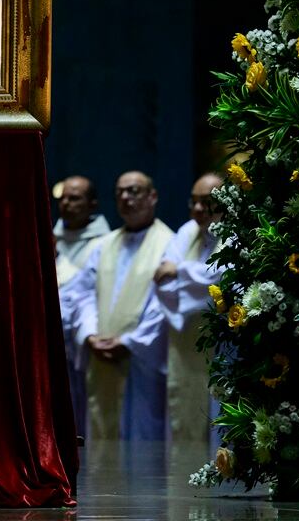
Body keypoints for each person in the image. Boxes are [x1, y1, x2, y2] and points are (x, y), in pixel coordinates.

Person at [68, 171, 173, 440]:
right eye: (120, 193)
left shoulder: (170, 245)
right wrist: (89, 335)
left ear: (153, 196)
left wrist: (130, 342)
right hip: (101, 357)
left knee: (143, 443)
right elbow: (83, 295)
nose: (126, 198)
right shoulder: (102, 245)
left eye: (134, 191)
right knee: (101, 444)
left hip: (141, 363)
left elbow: (164, 305)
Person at [154, 172, 224, 445]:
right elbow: (162, 282)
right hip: (185, 340)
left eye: (206, 202)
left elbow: (221, 279)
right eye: (193, 202)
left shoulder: (235, 234)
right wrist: (192, 280)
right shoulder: (186, 232)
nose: (197, 209)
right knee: (186, 417)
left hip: (221, 344)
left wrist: (180, 271)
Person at [54, 175, 110, 436]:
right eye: (63, 197)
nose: (66, 203)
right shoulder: (52, 238)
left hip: (84, 340)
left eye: (74, 198)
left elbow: (85, 292)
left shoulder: (105, 243)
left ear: (92, 204)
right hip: (51, 341)